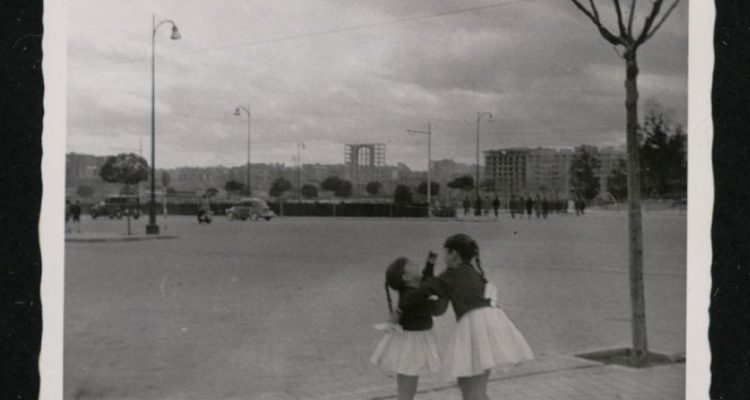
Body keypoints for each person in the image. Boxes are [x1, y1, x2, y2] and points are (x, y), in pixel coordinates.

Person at [405, 234, 533, 400]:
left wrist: (405, 301)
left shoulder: (451, 274)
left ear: (454, 254)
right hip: (493, 325)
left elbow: (425, 291)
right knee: (472, 384)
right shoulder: (472, 271)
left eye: (446, 253)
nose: (444, 257)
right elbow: (439, 298)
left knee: (471, 387)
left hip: (475, 327)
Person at [371, 254, 449, 400]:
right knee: (407, 386)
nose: (416, 265)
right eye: (412, 266)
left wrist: (430, 265)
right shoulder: (412, 297)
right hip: (412, 342)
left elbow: (425, 283)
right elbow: (438, 309)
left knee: (408, 384)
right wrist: (446, 293)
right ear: (406, 278)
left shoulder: (410, 292)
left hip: (409, 340)